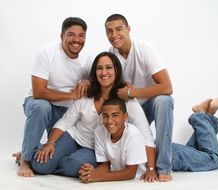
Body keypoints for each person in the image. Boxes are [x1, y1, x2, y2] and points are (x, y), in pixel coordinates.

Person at [30, 52, 158, 182]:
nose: (104, 72)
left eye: (108, 67)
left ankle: (45, 157)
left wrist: (151, 169)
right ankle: (36, 154)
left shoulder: (126, 99)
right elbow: (65, 122)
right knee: (40, 165)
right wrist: (50, 143)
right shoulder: (86, 94)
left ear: (116, 70)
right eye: (99, 68)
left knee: (74, 165)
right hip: (73, 137)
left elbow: (146, 134)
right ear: (94, 72)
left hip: (94, 148)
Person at [14, 17, 93, 177]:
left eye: (81, 35)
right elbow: (38, 92)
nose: (76, 40)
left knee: (54, 155)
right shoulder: (46, 53)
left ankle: (29, 151)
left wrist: (86, 80)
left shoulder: (87, 58)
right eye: (71, 35)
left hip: (66, 113)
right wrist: (70, 95)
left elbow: (95, 82)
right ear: (62, 36)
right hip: (39, 104)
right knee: (42, 107)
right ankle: (26, 160)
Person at [105, 14, 174, 181]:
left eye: (119, 29)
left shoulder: (144, 49)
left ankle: (164, 167)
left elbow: (167, 87)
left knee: (164, 100)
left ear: (129, 29)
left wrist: (133, 93)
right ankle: (203, 121)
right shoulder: (111, 54)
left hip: (149, 103)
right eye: (109, 31)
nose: (114, 35)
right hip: (131, 109)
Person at [79, 97, 147, 183]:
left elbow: (130, 173)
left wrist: (97, 177)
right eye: (105, 116)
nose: (109, 121)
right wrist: (90, 173)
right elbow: (105, 165)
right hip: (116, 175)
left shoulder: (133, 133)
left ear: (125, 116)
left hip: (137, 179)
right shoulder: (99, 131)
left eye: (115, 115)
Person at [172, 97, 218, 172]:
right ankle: (206, 115)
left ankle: (201, 115)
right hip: (162, 148)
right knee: (196, 151)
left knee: (214, 159)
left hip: (164, 154)